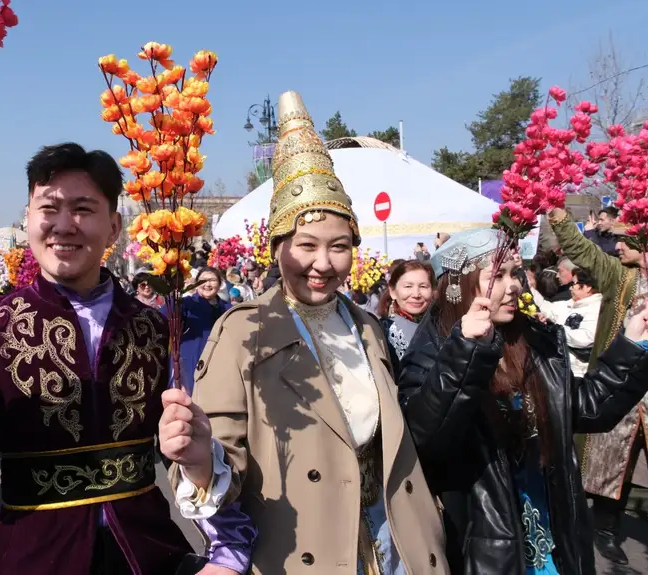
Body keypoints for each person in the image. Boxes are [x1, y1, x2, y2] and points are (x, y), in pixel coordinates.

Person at [159, 91, 448, 574]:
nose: (322, 263)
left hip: (394, 537)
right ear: (277, 249)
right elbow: (223, 457)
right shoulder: (244, 331)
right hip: (303, 548)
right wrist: (198, 459)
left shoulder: (369, 328)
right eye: (307, 245)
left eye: (339, 247)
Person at [0, 143, 197, 574]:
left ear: (114, 226)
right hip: (33, 554)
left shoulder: (154, 327)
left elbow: (198, 452)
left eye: (84, 209)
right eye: (49, 208)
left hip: (149, 552)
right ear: (28, 218)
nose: (64, 225)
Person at [397, 228, 648, 574]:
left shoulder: (533, 341)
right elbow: (426, 439)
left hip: (555, 532)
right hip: (485, 542)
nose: (514, 286)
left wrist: (634, 346)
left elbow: (585, 408)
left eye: (514, 274)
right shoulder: (431, 354)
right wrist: (467, 353)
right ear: (459, 285)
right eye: (497, 276)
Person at [547, 206, 648, 565]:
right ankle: (606, 530)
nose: (618, 246)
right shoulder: (618, 275)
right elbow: (584, 252)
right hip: (622, 377)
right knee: (612, 462)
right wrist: (560, 219)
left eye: (626, 240)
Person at [165, 266, 230, 394]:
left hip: (218, 363)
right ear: (196, 284)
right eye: (203, 280)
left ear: (220, 283)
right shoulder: (185, 304)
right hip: (190, 362)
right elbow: (165, 314)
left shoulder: (227, 309)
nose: (207, 284)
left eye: (212, 280)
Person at [532, 268, 602, 378]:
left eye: (574, 284)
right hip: (560, 367)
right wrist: (529, 289)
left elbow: (585, 338)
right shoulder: (570, 304)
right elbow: (547, 308)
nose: (570, 288)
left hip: (578, 372)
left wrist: (556, 330)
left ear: (587, 287)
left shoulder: (596, 309)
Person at [377, 260, 434, 373]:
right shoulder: (381, 330)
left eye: (423, 286)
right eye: (408, 286)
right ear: (393, 291)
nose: (416, 294)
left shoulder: (441, 326)